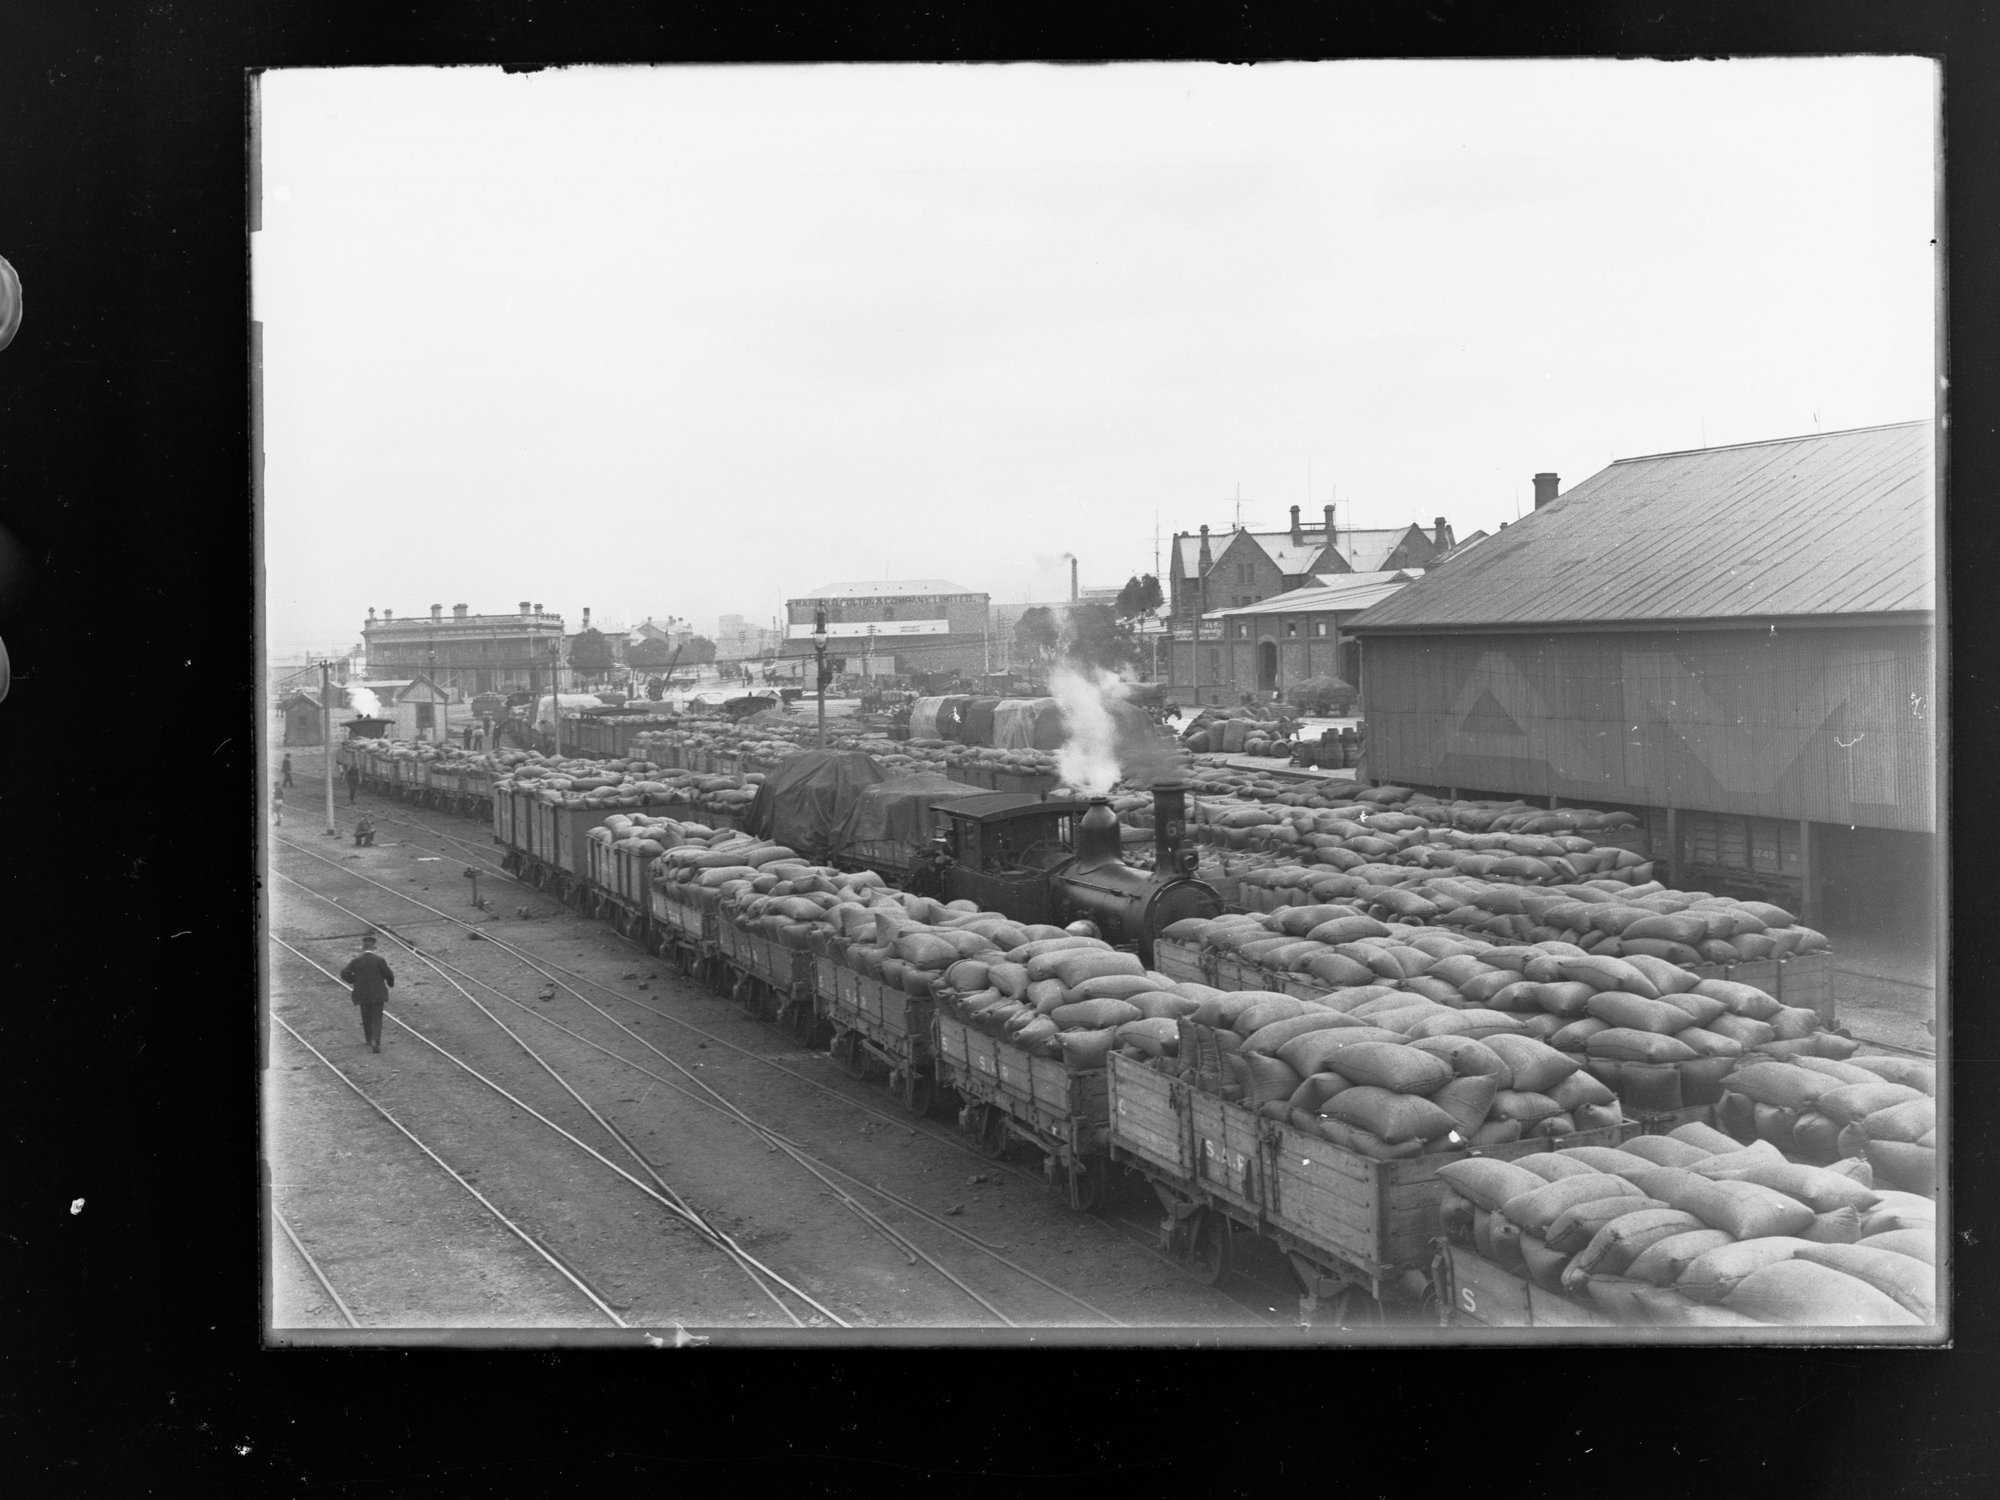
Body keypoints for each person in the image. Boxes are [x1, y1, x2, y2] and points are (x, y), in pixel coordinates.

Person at [339, 933, 395, 1053]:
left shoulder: (356, 961)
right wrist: (390, 983)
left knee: (366, 1017)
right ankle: (376, 1040)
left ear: (363, 948)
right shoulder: (379, 960)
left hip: (362, 993)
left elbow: (344, 973)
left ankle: (369, 1039)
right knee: (377, 1017)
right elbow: (389, 975)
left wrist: (353, 980)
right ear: (374, 947)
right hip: (378, 993)